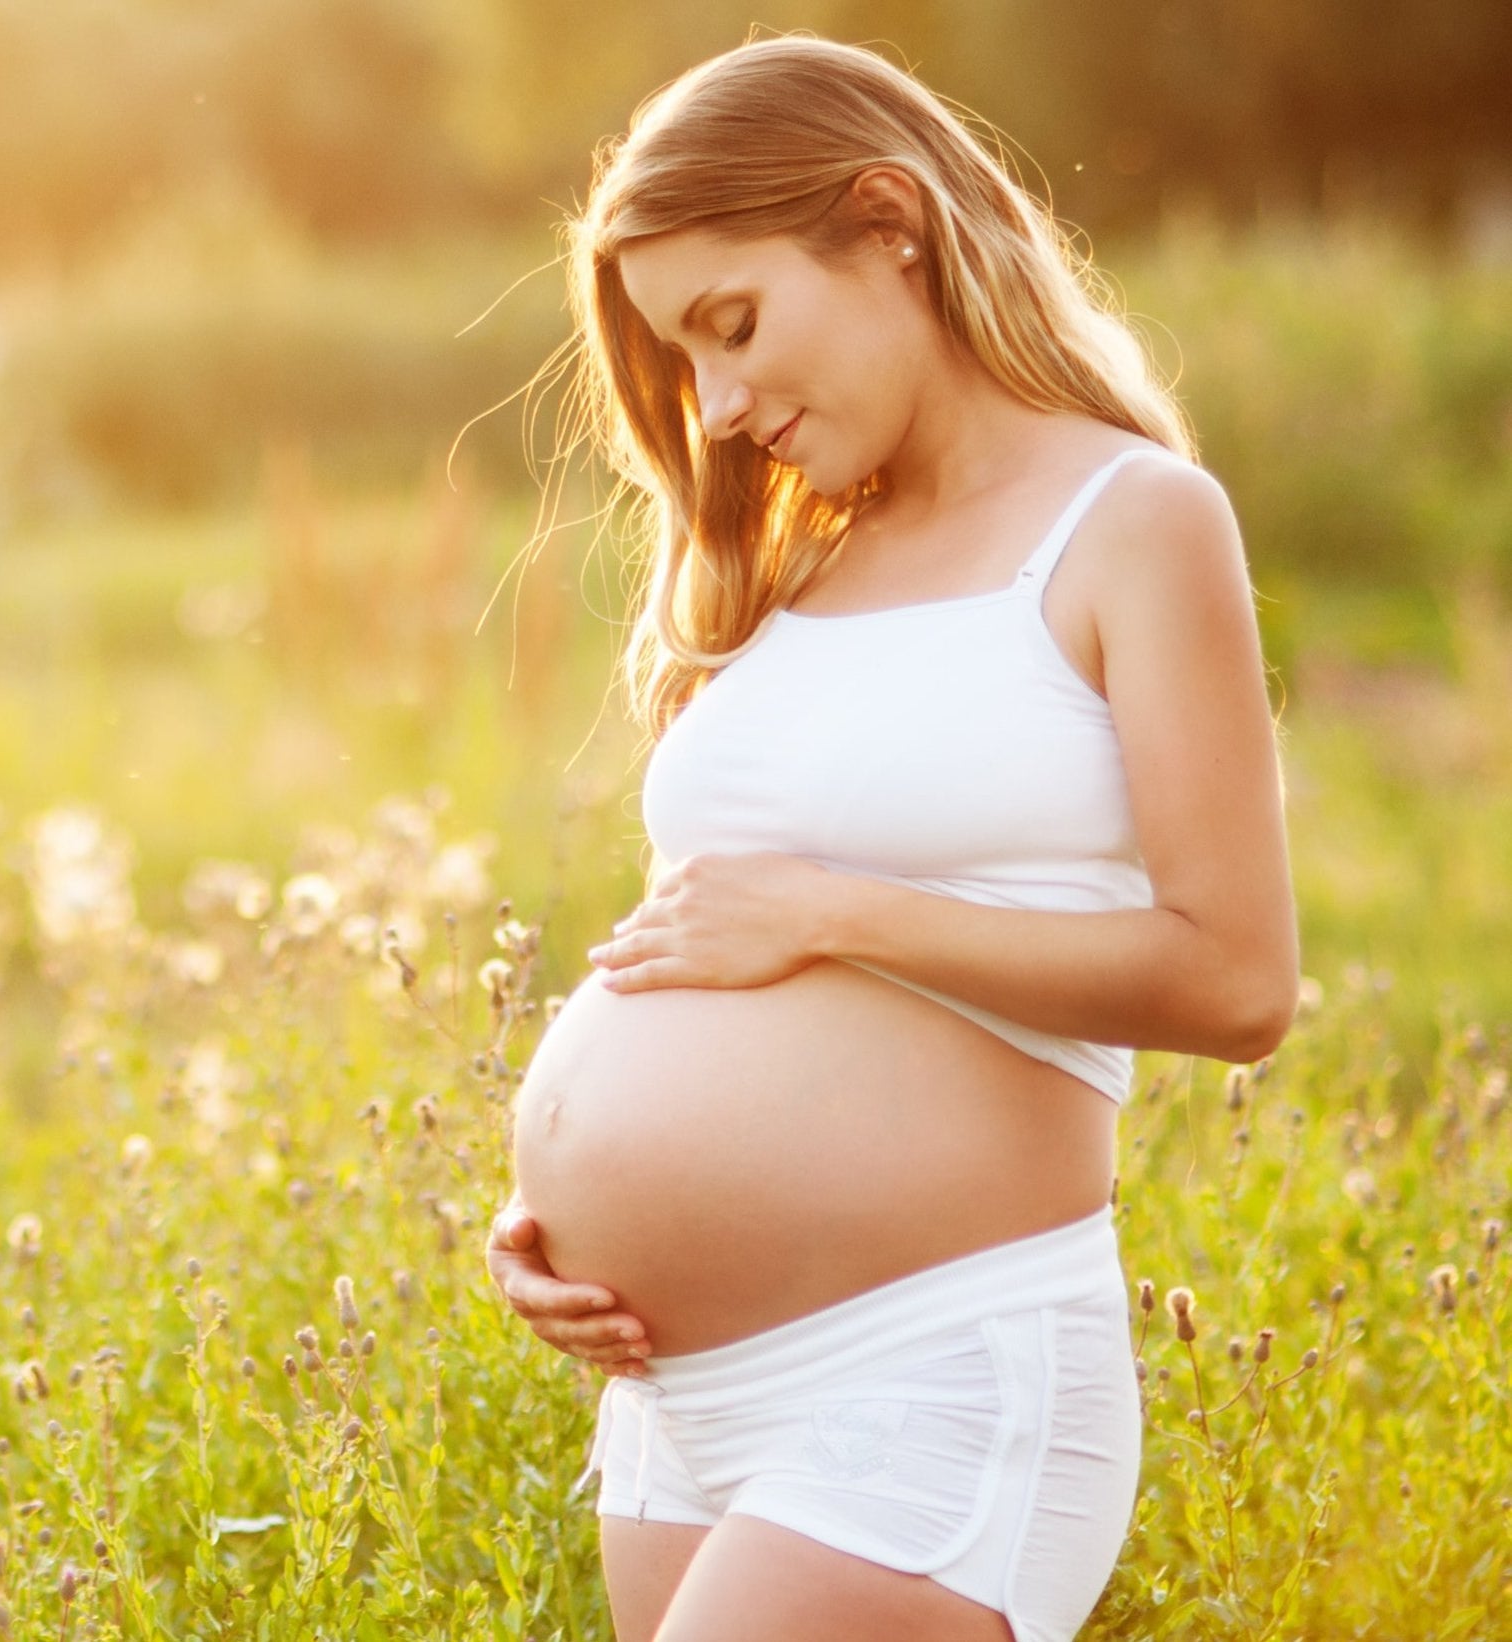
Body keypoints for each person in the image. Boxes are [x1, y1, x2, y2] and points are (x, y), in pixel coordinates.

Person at [486, 34, 1297, 1642]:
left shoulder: (1131, 522)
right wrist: (554, 1219)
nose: (715, 407)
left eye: (732, 326)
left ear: (887, 223)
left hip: (929, 1371)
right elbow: (712, 934)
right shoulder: (794, 569)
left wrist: (835, 914)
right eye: (680, 362)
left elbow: (1237, 981)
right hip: (676, 1403)